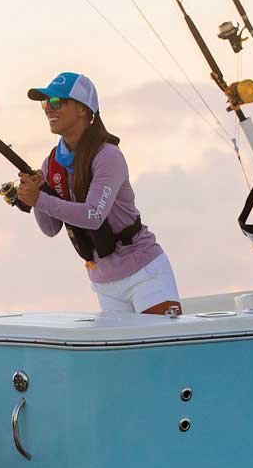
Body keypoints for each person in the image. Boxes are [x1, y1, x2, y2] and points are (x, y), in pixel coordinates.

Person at [16, 72, 182, 315]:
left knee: (164, 353)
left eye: (56, 102)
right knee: (125, 355)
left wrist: (40, 198)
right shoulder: (51, 164)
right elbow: (50, 229)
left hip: (145, 274)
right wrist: (38, 193)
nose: (48, 109)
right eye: (45, 103)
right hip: (104, 283)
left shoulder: (108, 156)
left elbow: (93, 215)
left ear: (82, 110)